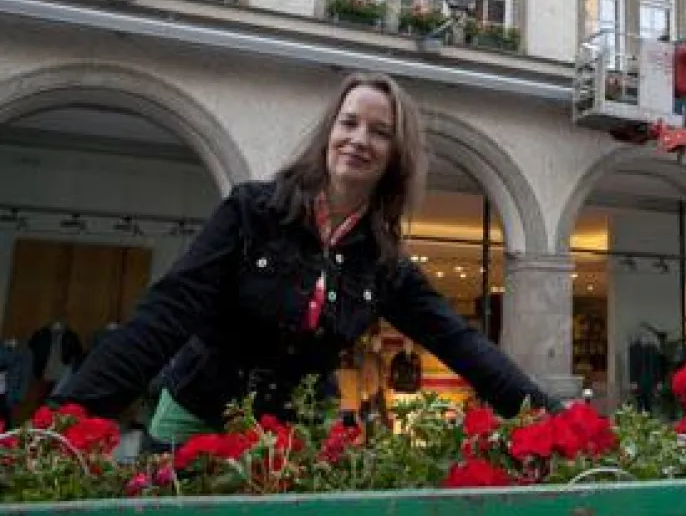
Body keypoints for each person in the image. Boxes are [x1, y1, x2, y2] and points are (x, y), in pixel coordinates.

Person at [52, 72, 555, 446]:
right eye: (349, 123)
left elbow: (464, 345)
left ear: (396, 154)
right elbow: (166, 314)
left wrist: (555, 420)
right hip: (196, 418)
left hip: (297, 432)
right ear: (329, 133)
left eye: (379, 132)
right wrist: (70, 417)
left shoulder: (383, 263)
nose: (359, 140)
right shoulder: (252, 211)